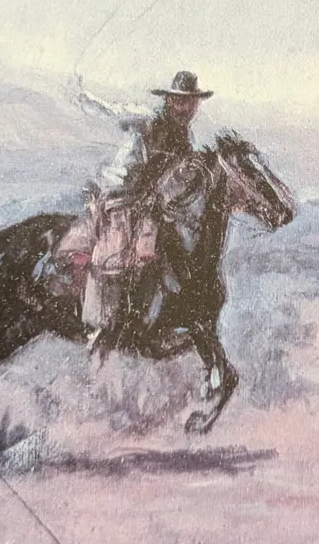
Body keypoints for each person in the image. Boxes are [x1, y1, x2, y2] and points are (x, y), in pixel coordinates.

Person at [60, 70, 213, 353]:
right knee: (116, 254)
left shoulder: (185, 136)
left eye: (191, 102)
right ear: (169, 101)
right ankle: (101, 325)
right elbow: (111, 110)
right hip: (120, 195)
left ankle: (159, 319)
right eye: (181, 101)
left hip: (149, 203)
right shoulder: (147, 121)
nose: (186, 108)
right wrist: (82, 96)